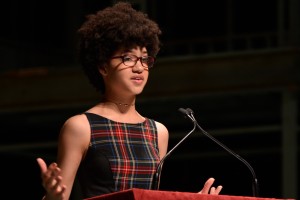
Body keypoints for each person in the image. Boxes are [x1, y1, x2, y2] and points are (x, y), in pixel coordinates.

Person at [36, 2, 223, 200]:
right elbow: (59, 196)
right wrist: (53, 195)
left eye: (144, 59)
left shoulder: (158, 132)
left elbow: (150, 197)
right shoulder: (81, 127)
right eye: (128, 58)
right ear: (103, 66)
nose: (139, 67)